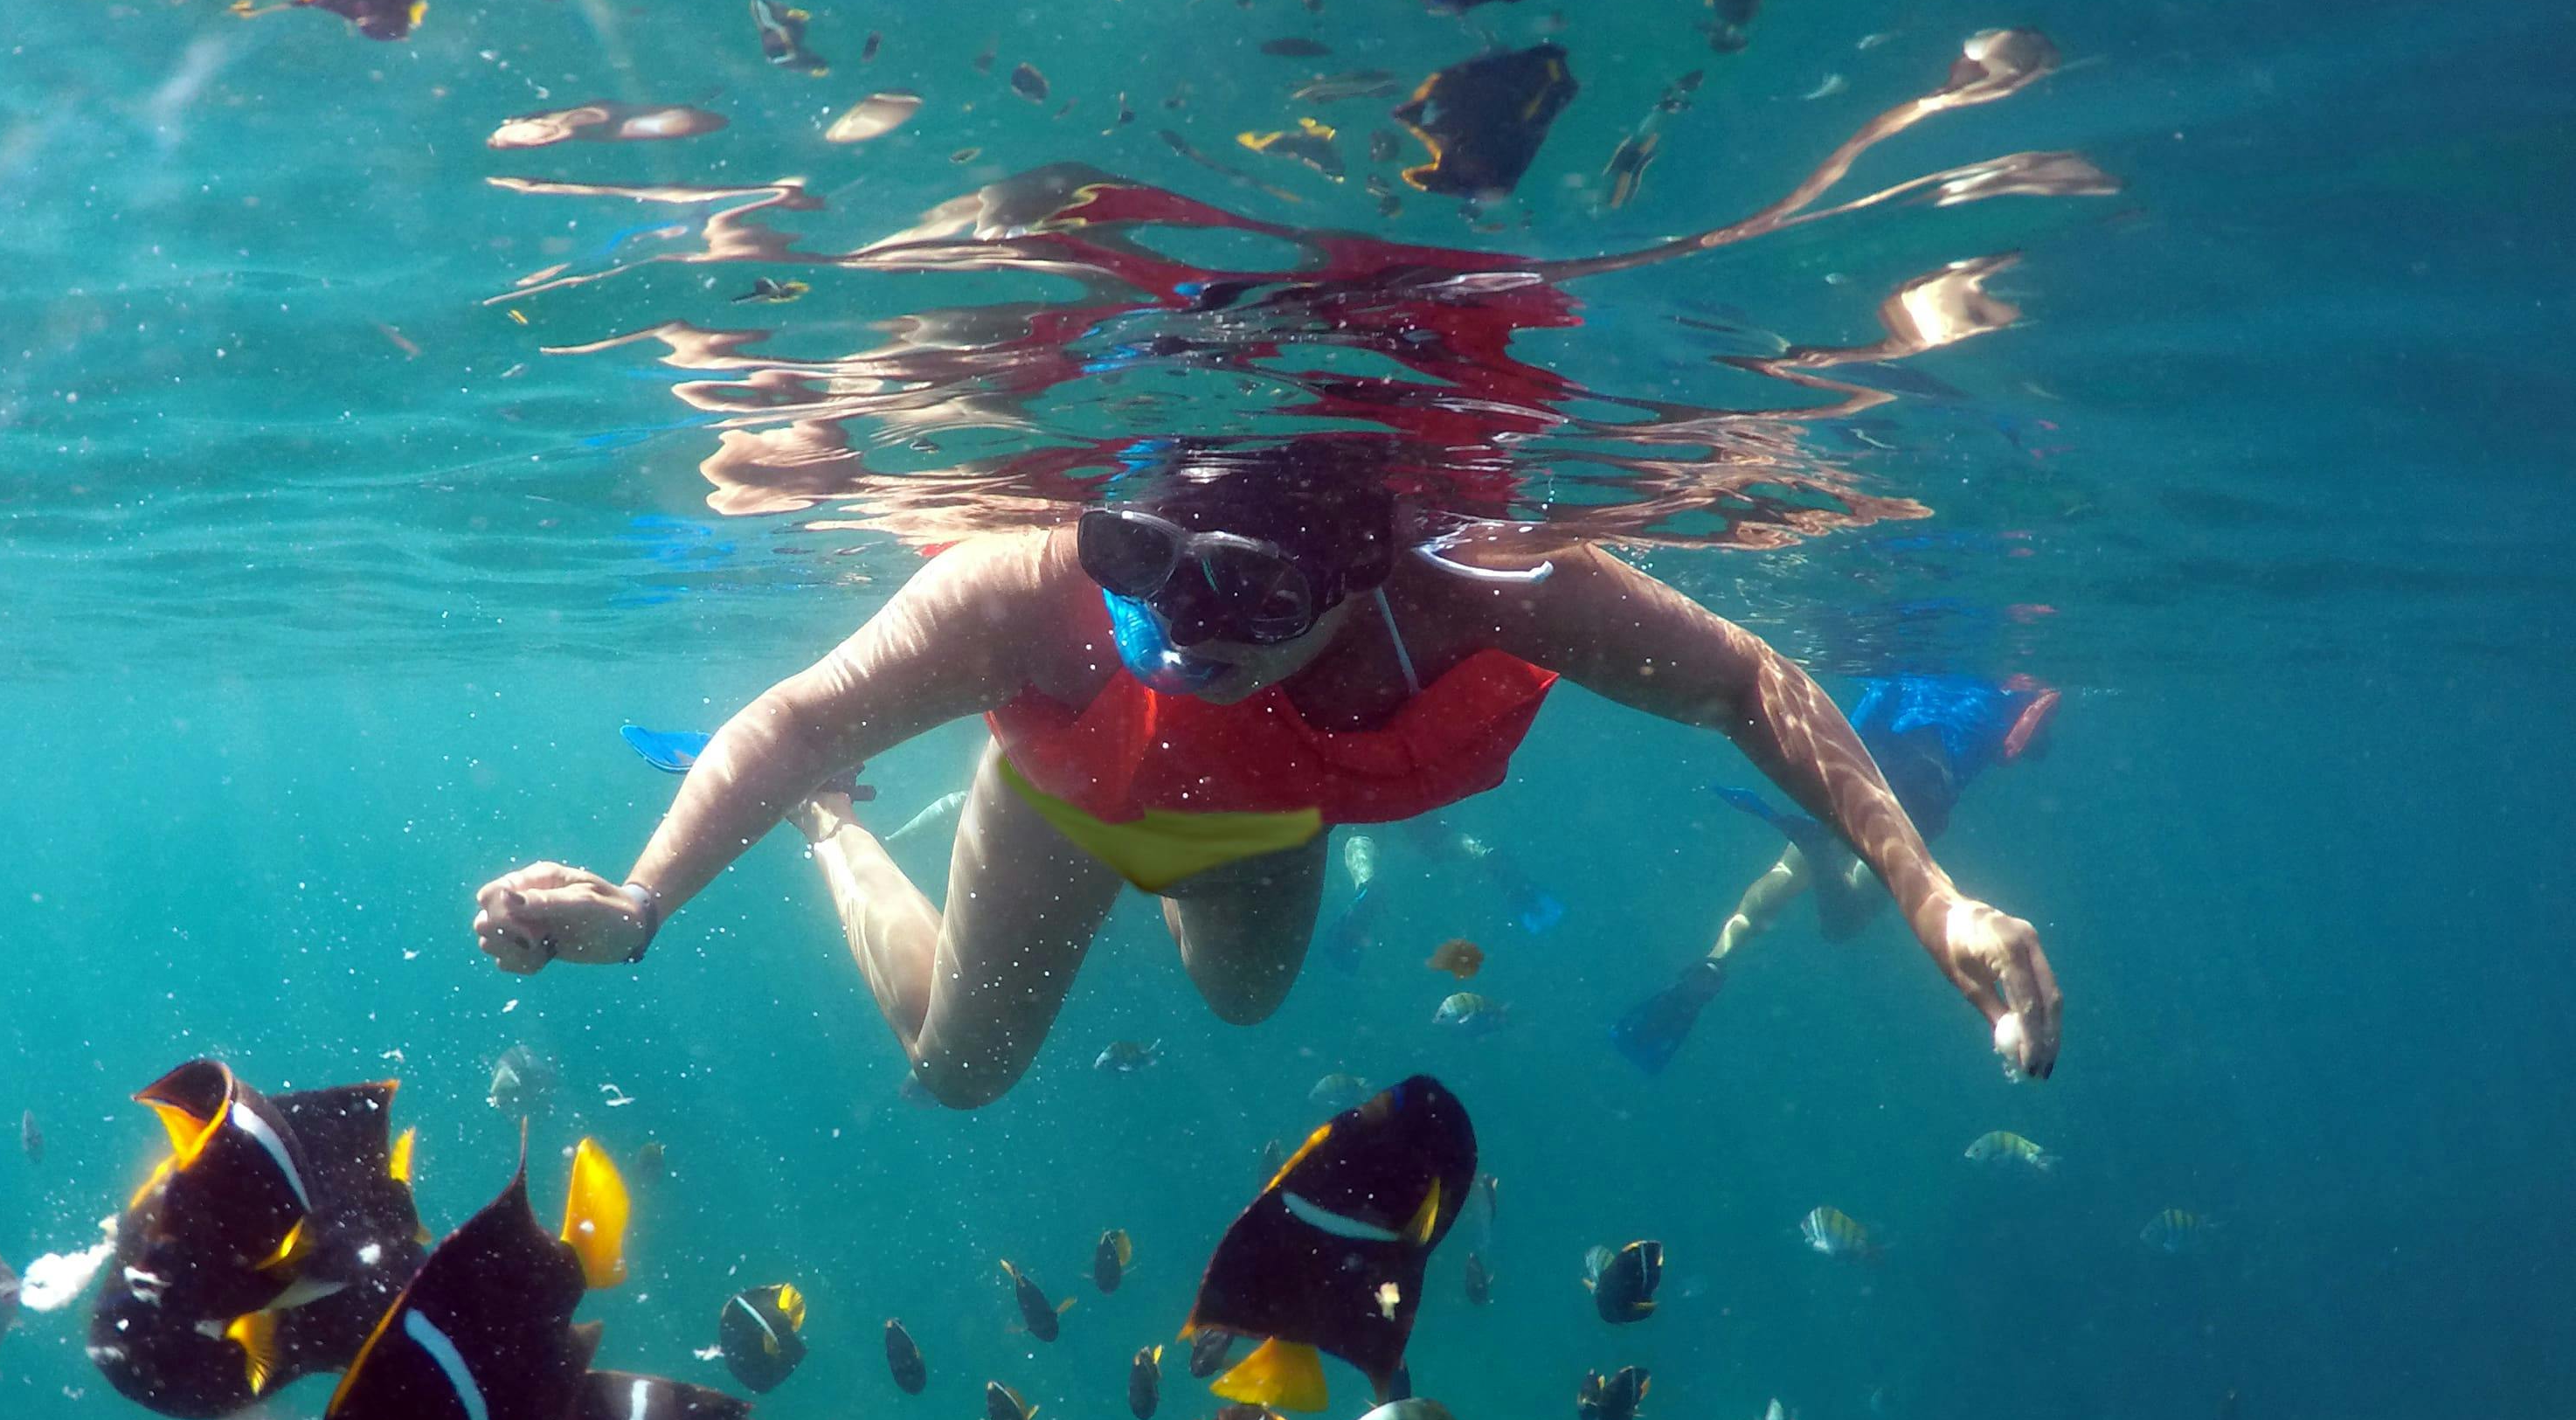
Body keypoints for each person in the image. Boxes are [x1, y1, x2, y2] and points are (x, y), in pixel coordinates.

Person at [472, 443, 2062, 1107]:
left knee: (1240, 1008)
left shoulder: (1473, 584)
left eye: (1249, 619)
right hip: (1059, 804)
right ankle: (855, 844)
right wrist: (641, 895)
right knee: (955, 1072)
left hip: (1258, 826)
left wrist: (1928, 896)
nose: (1188, 638)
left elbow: (1743, 677)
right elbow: (804, 716)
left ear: (1358, 576)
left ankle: (1064, 835)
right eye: (1150, 590)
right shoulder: (1020, 587)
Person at [1609, 674, 2059, 1072]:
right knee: (1846, 920)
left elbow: (1870, 703)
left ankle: (1716, 960)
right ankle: (1821, 859)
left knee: (1785, 873)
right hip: (1924, 785)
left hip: (1864, 758)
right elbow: (2018, 746)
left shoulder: (1910, 659)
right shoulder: (2014, 685)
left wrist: (1827, 770)